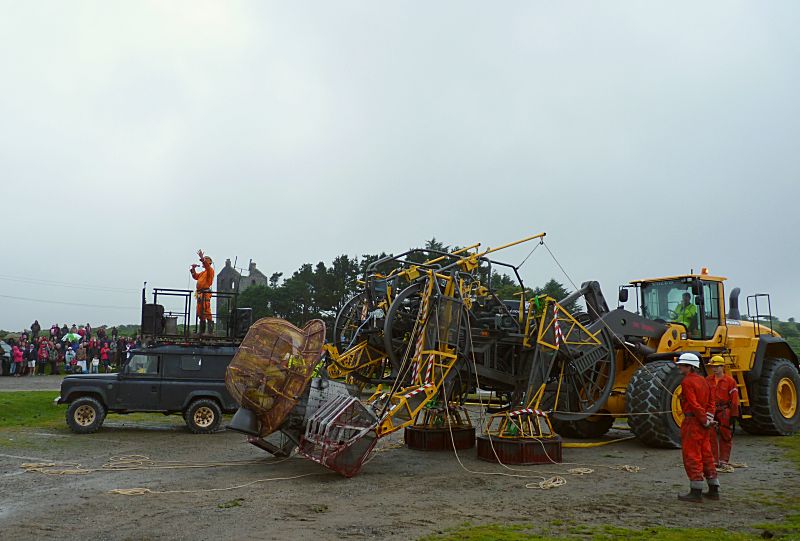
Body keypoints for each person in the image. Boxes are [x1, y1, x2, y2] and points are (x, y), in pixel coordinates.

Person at [676, 352, 719, 502]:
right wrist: (708, 419)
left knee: (692, 455)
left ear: (689, 366)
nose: (679, 367)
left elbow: (694, 404)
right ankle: (714, 490)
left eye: (681, 365)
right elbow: (711, 402)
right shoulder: (705, 381)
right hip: (703, 424)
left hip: (692, 423)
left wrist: (702, 419)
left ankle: (696, 492)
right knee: (707, 455)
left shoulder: (687, 382)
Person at [706, 355, 740, 467]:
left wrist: (734, 415)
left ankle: (723, 460)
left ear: (722, 367)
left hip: (724, 411)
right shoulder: (708, 380)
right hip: (711, 410)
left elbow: (734, 400)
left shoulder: (730, 381)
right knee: (710, 435)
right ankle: (714, 461)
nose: (714, 369)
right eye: (713, 367)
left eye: (717, 366)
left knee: (726, 435)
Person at [190, 249, 215, 335]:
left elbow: (207, 266)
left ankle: (210, 332)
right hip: (200, 294)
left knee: (206, 310)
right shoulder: (203, 273)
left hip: (205, 294)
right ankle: (202, 331)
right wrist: (193, 269)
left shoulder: (210, 271)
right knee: (200, 311)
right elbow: (196, 276)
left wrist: (202, 258)